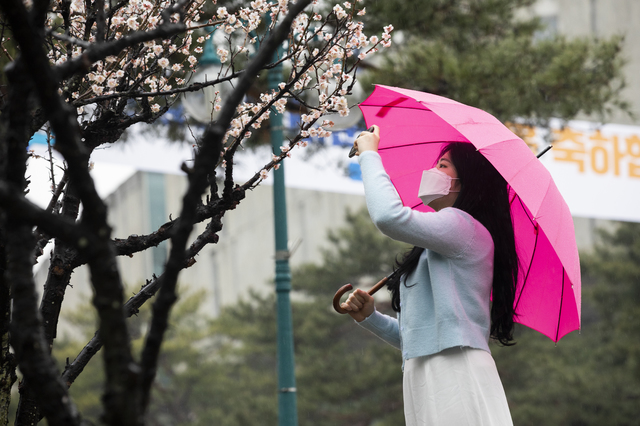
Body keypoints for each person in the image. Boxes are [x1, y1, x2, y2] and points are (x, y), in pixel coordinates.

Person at [341, 125, 517, 425]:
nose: (431, 170)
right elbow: (420, 337)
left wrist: (370, 155)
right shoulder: (438, 244)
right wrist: (371, 318)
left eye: (442, 165)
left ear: (466, 181)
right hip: (426, 372)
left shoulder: (462, 226)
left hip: (454, 370)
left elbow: (388, 217)